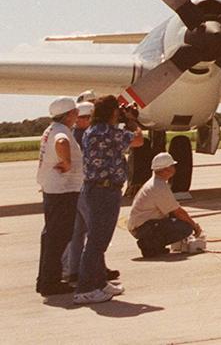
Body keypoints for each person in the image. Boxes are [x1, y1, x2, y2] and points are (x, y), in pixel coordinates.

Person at [75, 96, 143, 305]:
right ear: (113, 112)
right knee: (97, 242)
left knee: (97, 240)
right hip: (104, 192)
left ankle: (99, 282)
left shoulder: (92, 130)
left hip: (94, 189)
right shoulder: (108, 132)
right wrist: (131, 120)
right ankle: (85, 289)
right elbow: (138, 140)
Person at [35, 97, 83, 297]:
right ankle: (50, 282)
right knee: (59, 237)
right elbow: (61, 143)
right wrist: (67, 162)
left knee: (51, 236)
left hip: (53, 189)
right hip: (63, 191)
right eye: (75, 112)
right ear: (69, 114)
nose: (77, 115)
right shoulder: (61, 132)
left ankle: (44, 279)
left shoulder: (51, 129)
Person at [128, 152, 202, 257]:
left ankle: (156, 247)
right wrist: (194, 226)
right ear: (167, 169)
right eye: (172, 166)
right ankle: (148, 245)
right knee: (185, 227)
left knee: (174, 220)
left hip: (142, 226)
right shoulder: (159, 186)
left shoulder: (156, 183)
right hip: (143, 228)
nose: (174, 168)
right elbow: (178, 211)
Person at [61, 101, 95, 285]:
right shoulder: (86, 136)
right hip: (82, 188)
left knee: (78, 231)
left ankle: (73, 269)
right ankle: (94, 268)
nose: (87, 120)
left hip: (75, 188)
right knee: (94, 229)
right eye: (85, 117)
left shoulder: (73, 134)